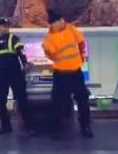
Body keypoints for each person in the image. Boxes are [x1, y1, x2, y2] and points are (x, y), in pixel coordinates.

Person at [42, 10, 93, 139]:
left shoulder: (71, 29)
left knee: (82, 100)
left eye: (62, 20)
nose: (62, 23)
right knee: (57, 102)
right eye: (58, 22)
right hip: (60, 73)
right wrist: (47, 51)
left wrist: (82, 55)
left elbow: (81, 41)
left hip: (75, 71)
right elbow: (52, 56)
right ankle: (56, 128)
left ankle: (85, 126)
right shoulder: (50, 38)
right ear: (53, 24)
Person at [0, 18, 36, 136]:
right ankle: (6, 126)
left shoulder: (14, 38)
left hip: (15, 74)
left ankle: (29, 126)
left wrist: (25, 63)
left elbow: (21, 53)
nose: (5, 28)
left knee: (22, 100)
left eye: (7, 26)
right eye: (3, 26)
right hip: (1, 76)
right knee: (0, 101)